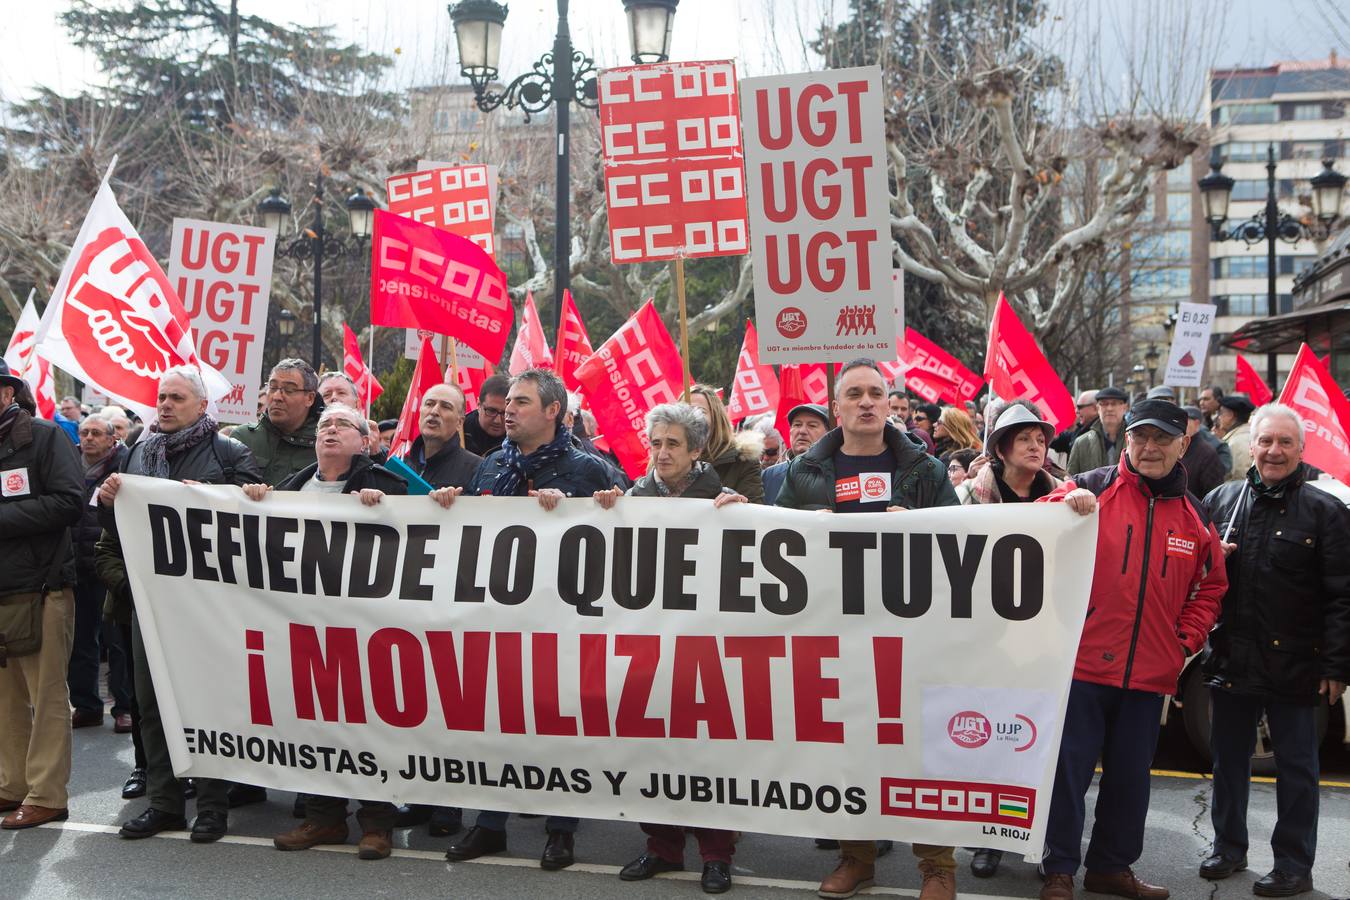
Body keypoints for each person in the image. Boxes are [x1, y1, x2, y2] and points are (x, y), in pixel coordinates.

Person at [775, 359, 959, 900]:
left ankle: (937, 865)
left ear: (889, 402)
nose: (866, 402)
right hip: (838, 631)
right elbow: (777, 541)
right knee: (849, 744)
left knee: (924, 747)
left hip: (912, 631)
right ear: (837, 407)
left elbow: (959, 539)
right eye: (854, 393)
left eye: (876, 392)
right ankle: (856, 857)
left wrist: (920, 529)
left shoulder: (925, 471)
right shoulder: (805, 472)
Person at [1037, 399, 1227, 900]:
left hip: (1148, 675)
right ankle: (1058, 869)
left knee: (1130, 783)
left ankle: (1110, 867)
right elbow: (1030, 537)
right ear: (1127, 439)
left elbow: (1211, 587)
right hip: (1081, 668)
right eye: (1141, 437)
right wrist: (1061, 504)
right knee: (1066, 777)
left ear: (1183, 444)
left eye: (1162, 439)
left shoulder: (1194, 513)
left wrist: (1183, 642)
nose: (1149, 448)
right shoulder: (1091, 488)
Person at [449, 368, 614, 870]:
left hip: (563, 617)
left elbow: (623, 528)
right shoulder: (492, 463)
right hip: (498, 612)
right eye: (506, 403)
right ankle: (491, 824)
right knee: (498, 720)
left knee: (560, 722)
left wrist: (590, 509)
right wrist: (449, 507)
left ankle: (560, 829)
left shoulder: (588, 469)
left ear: (552, 412)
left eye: (521, 402)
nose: (507, 410)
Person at [96, 366, 263, 843]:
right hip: (150, 606)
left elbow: (256, 524)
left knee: (205, 706)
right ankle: (166, 804)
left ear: (202, 406)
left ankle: (212, 807)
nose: (165, 405)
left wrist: (226, 497)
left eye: (176, 398)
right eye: (161, 397)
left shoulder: (230, 453)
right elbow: (117, 535)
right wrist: (109, 500)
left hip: (208, 607)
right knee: (152, 706)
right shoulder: (135, 455)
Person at [588, 403, 745, 893]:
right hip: (649, 643)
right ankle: (662, 846)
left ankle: (716, 855)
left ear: (696, 450)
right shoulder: (634, 495)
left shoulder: (723, 498)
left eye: (672, 444)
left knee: (708, 752)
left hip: (707, 646)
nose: (660, 452)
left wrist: (744, 515)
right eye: (655, 443)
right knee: (652, 745)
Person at [243, 404, 409, 861]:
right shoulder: (288, 491)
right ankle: (324, 816)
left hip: (369, 629)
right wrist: (252, 499)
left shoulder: (390, 487)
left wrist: (388, 512)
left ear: (364, 440)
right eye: (323, 426)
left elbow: (432, 534)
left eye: (342, 425)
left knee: (372, 724)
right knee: (314, 722)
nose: (330, 432)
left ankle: (377, 824)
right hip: (306, 628)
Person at [1199, 404, 1350, 897]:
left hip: (1297, 663)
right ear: (1252, 446)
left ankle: (1293, 864)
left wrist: (1336, 664)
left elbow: (1343, 594)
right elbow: (1187, 576)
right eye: (1266, 441)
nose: (1274, 451)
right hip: (1230, 658)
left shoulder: (1325, 511)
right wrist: (1207, 564)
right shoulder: (1220, 501)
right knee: (1228, 762)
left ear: (1301, 450)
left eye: (1285, 442)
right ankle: (1227, 846)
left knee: (1298, 770)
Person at [0, 361, 83, 830]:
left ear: (9, 392)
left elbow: (70, 501)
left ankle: (47, 794)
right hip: (4, 588)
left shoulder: (46, 437)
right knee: (4, 698)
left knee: (45, 693)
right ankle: (12, 785)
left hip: (42, 588)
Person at [68, 415, 129, 731]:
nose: (89, 438)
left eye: (96, 433)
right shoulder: (68, 466)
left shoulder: (123, 469)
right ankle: (87, 704)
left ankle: (124, 707)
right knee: (80, 640)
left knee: (116, 641)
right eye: (84, 432)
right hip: (76, 566)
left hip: (107, 567)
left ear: (111, 439)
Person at [232, 358, 323, 487]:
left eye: (289, 390)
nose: (277, 397)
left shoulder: (324, 446)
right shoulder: (242, 438)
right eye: (273, 387)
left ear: (310, 398)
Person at [962, 402, 1060, 506]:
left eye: (1040, 440)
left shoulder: (1060, 492)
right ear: (1000, 450)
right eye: (1024, 439)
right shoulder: (969, 494)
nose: (1035, 447)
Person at [688, 384, 764, 503]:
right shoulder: (664, 460)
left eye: (699, 411)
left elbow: (755, 513)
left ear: (716, 418)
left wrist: (737, 502)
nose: (691, 417)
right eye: (684, 411)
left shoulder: (742, 460)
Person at [407, 383, 482, 490]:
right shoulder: (402, 464)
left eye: (446, 407)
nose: (434, 411)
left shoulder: (476, 469)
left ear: (459, 422)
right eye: (429, 404)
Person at [762, 403, 829, 504]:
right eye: (797, 425)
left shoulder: (840, 472)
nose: (802, 431)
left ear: (829, 433)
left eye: (812, 425)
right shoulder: (770, 475)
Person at [1067, 385, 1128, 475]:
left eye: (1114, 403)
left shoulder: (1135, 441)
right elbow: (1071, 479)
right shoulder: (1082, 443)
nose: (1109, 408)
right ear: (1098, 408)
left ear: (1124, 408)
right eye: (1104, 403)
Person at [1180, 406, 1227, 500]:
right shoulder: (1176, 446)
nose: (1180, 425)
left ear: (1197, 424)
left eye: (1185, 421)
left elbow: (1214, 494)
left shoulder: (1207, 453)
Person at [462, 373, 509, 457]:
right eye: (491, 411)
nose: (497, 421)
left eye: (505, 413)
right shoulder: (459, 432)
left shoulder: (520, 440)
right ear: (478, 404)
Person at [1050, 390, 1098, 456]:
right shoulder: (1079, 431)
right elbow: (1060, 441)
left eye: (1079, 407)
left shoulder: (1104, 433)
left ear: (1095, 408)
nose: (1076, 411)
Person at [1217, 395, 1254, 481]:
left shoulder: (1237, 443)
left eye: (1221, 413)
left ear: (1230, 415)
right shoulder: (1244, 436)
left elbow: (1242, 478)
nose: (1219, 417)